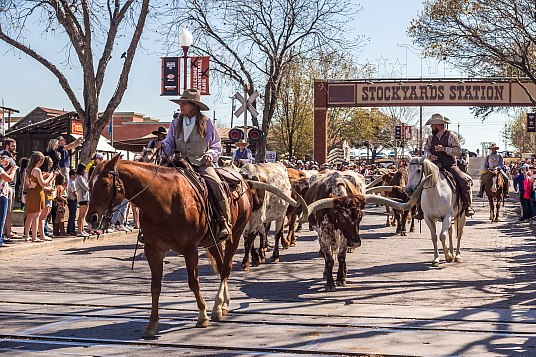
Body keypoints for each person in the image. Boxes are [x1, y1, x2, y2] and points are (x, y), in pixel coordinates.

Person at [157, 88, 232, 241]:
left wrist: (210, 155)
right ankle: (152, 227)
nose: (181, 105)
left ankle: (224, 221)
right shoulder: (175, 122)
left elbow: (217, 145)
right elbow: (170, 144)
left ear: (194, 105)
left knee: (216, 184)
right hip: (179, 163)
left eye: (184, 103)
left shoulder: (207, 122)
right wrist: (163, 146)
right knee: (157, 185)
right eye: (180, 103)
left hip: (201, 163)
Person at [421, 113, 475, 217]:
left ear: (439, 125)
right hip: (433, 167)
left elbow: (458, 151)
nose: (431, 127)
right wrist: (430, 156)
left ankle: (467, 206)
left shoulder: (451, 136)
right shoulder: (430, 138)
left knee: (463, 181)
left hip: (449, 166)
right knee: (420, 183)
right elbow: (426, 150)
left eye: (433, 125)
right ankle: (420, 209)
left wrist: (444, 149)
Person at [24, 151, 58, 242]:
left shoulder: (27, 170)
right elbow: (43, 184)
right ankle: (35, 237)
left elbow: (28, 183)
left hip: (30, 192)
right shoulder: (37, 170)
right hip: (37, 193)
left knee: (29, 215)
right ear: (38, 160)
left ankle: (27, 235)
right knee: (36, 215)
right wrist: (50, 176)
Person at [1, 138, 18, 239]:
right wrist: (13, 170)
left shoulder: (10, 157)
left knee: (9, 210)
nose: (15, 148)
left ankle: (8, 229)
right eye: (13, 146)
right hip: (7, 186)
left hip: (11, 186)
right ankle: (7, 231)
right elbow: (3, 173)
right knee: (7, 211)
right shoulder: (5, 157)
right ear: (7, 146)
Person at [0, 157, 18, 246]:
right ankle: (0, 240)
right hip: (2, 196)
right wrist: (13, 170)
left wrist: (8, 171)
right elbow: (9, 179)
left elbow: (3, 177)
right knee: (1, 220)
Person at [74, 164, 90, 237]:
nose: (85, 171)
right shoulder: (79, 177)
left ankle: (82, 230)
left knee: (83, 215)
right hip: (82, 197)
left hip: (86, 197)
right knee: (81, 215)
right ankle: (79, 231)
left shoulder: (82, 178)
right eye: (84, 169)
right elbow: (86, 187)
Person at [66, 169, 78, 236]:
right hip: (72, 200)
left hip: (70, 199)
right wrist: (78, 199)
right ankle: (70, 230)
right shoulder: (72, 182)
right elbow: (74, 193)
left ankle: (72, 229)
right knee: (72, 215)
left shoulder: (69, 181)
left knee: (73, 215)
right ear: (72, 175)